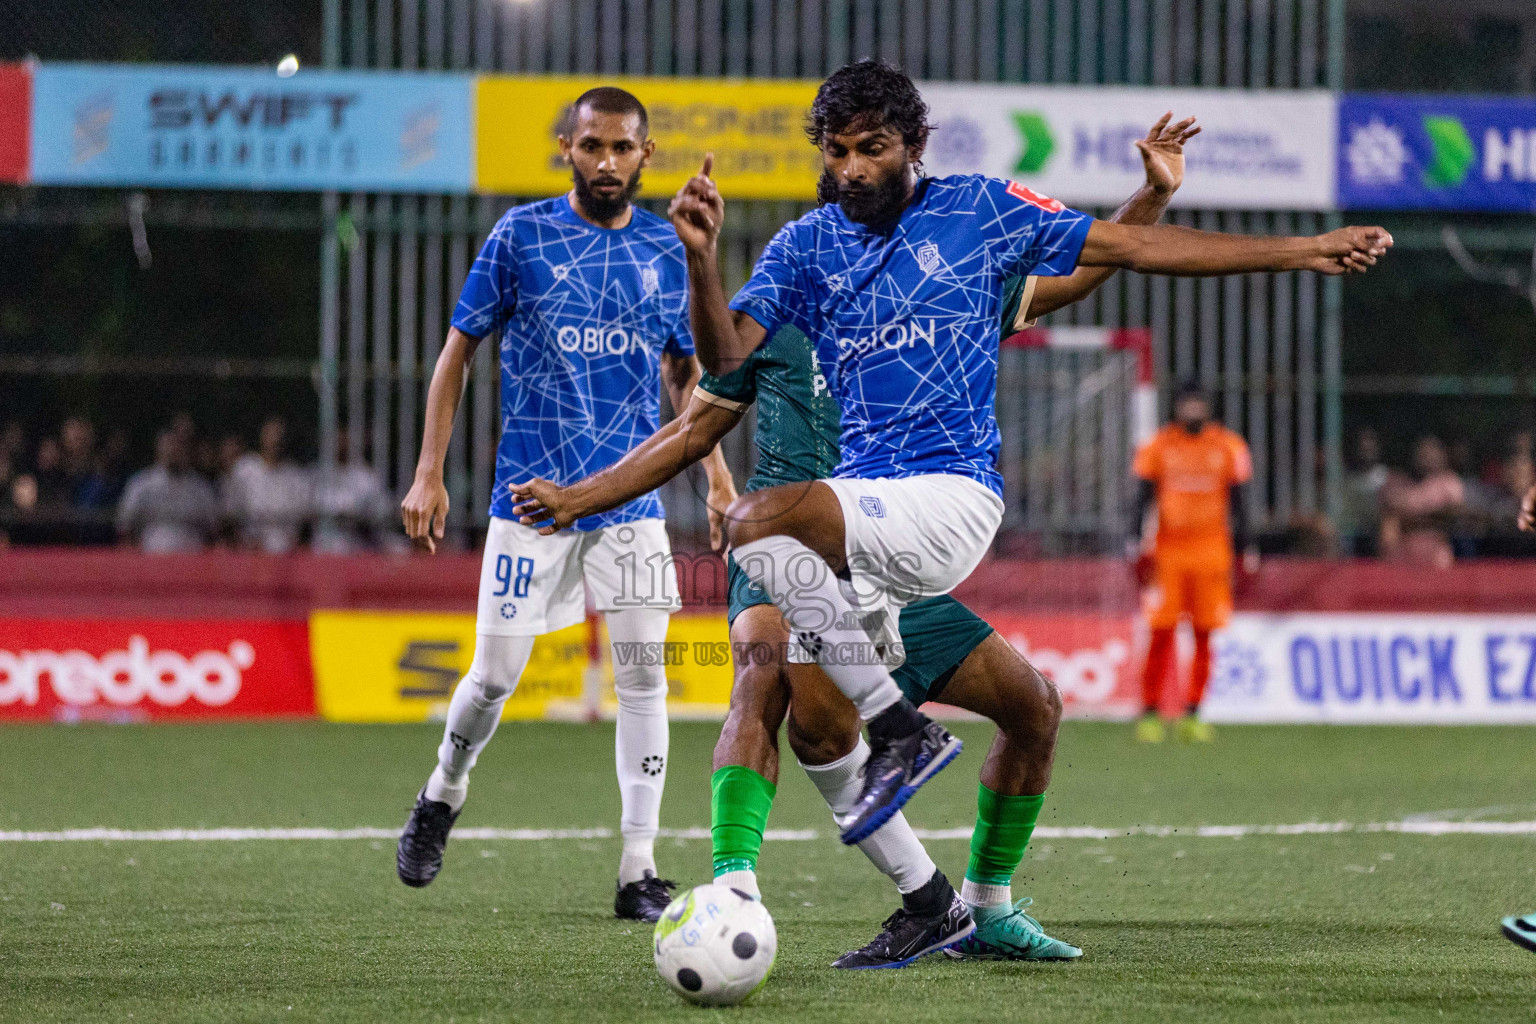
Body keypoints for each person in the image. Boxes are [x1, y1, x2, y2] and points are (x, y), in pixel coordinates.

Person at [512, 110, 1202, 967]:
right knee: (770, 686)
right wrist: (582, 498)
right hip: (792, 549)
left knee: (1033, 708)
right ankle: (738, 887)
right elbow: (689, 432)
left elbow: (1084, 267)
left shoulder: (933, 294)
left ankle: (977, 909)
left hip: (895, 544)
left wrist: (1151, 197)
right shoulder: (775, 318)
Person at [666, 60, 1390, 848]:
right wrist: (703, 261)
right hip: (864, 525)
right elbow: (727, 356)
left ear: (913, 143)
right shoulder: (807, 253)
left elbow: (1119, 253)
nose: (850, 170)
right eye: (836, 153)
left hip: (942, 497)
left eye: (869, 149)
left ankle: (861, 767)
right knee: (848, 719)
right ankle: (949, 899)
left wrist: (1303, 248)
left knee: (760, 532)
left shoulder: (975, 215)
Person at [392, 86, 736, 923]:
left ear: (645, 154)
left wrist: (718, 478)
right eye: (592, 147)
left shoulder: (668, 248)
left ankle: (637, 870)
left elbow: (689, 379)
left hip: (631, 507)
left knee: (644, 681)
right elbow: (457, 355)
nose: (607, 162)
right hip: (532, 502)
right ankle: (444, 788)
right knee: (493, 677)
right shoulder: (522, 237)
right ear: (566, 149)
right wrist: (428, 472)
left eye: (622, 148)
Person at [1130, 380, 1255, 743]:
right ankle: (1150, 713)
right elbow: (1141, 497)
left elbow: (1241, 500)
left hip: (1213, 551)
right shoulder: (1158, 445)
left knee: (1205, 633)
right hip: (1168, 551)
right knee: (1161, 631)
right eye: (1188, 404)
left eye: (1199, 403)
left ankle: (1194, 712)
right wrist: (1132, 539)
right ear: (1178, 407)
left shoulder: (1229, 446)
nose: (1193, 410)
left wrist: (1247, 547)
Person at [116, 428, 221, 552]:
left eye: (178, 446)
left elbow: (213, 530)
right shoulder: (141, 484)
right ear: (158, 449)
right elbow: (125, 526)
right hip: (151, 557)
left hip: (192, 558)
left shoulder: (200, 487)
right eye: (169, 445)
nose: (173, 451)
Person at [223, 416, 313, 553]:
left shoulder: (296, 475)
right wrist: (243, 543)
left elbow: (304, 522)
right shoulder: (244, 468)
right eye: (271, 435)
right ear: (262, 436)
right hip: (251, 552)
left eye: (279, 436)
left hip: (287, 554)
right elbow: (230, 514)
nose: (275, 440)